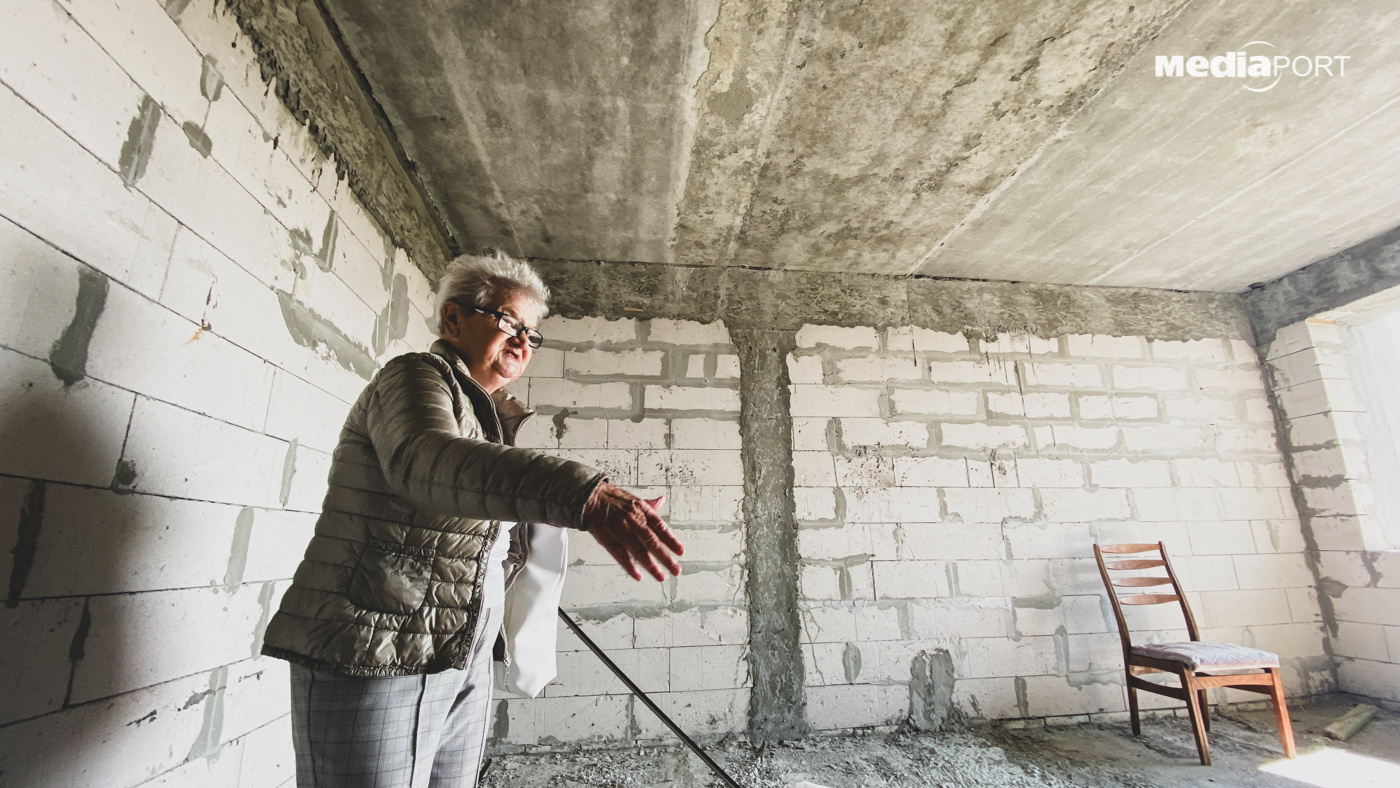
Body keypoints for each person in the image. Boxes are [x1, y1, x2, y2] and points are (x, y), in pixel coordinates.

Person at [260, 251, 683, 787]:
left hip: (459, 651)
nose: (523, 341)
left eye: (532, 333)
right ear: (453, 319)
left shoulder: (488, 416)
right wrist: (584, 494)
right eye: (509, 322)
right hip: (374, 647)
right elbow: (424, 460)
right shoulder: (415, 376)